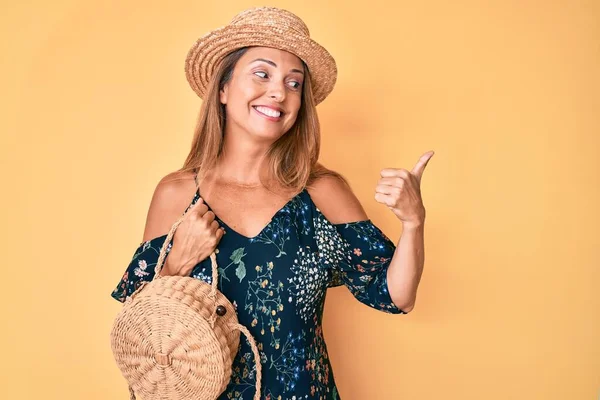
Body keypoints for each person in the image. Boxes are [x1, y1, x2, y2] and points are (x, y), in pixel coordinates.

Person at [111, 6, 432, 399]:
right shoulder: (176, 194)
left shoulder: (321, 193)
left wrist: (413, 223)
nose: (279, 92)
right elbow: (142, 332)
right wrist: (177, 261)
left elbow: (395, 295)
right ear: (224, 89)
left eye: (294, 83)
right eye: (262, 74)